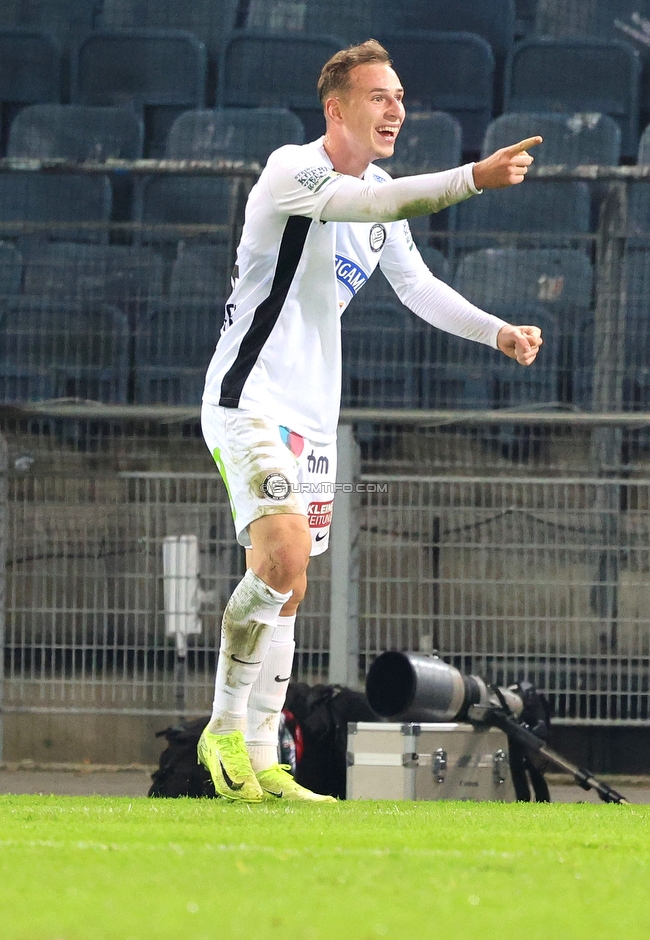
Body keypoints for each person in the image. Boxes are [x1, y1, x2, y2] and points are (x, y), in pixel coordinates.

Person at [198, 39, 543, 803]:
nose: (397, 109)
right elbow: (374, 202)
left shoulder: (381, 193)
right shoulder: (293, 171)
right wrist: (473, 179)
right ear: (337, 108)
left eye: (399, 96)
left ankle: (263, 763)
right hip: (248, 399)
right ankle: (222, 724)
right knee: (280, 555)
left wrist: (498, 332)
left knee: (289, 592)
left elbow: (417, 286)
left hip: (314, 419)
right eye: (379, 96)